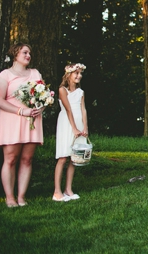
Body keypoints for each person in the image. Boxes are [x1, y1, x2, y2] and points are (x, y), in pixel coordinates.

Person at [0, 43, 45, 207]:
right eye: (25, 52)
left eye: (29, 52)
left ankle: (22, 197)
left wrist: (41, 107)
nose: (28, 55)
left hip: (32, 120)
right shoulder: (5, 75)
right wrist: (20, 111)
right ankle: (10, 197)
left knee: (27, 159)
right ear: (15, 54)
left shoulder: (35, 73)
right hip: (12, 119)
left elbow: (44, 95)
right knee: (10, 159)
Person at [53, 63, 88, 202]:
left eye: (80, 74)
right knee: (63, 157)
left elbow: (83, 110)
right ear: (69, 74)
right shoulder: (62, 90)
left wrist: (85, 127)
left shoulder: (81, 92)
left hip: (79, 123)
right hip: (67, 124)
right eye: (76, 73)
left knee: (74, 158)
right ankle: (57, 191)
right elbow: (68, 109)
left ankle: (68, 189)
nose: (79, 76)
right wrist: (74, 128)